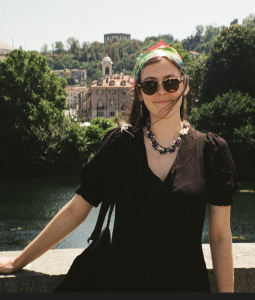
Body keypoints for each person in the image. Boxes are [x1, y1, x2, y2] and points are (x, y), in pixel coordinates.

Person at [0, 40, 238, 293]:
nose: (161, 92)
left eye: (170, 82)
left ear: (185, 85)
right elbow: (75, 211)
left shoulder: (211, 151)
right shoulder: (119, 146)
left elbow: (221, 237)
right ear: (139, 92)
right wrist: (19, 260)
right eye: (149, 85)